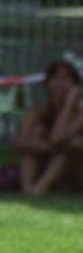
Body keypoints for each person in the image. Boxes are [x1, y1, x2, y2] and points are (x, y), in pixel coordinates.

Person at [14, 59, 83, 196]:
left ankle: (38, 189)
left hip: (73, 168)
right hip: (46, 161)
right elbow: (20, 142)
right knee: (36, 133)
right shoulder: (37, 111)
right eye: (55, 78)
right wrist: (51, 148)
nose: (59, 83)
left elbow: (58, 137)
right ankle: (28, 190)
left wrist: (69, 105)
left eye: (65, 78)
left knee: (71, 148)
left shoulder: (79, 115)